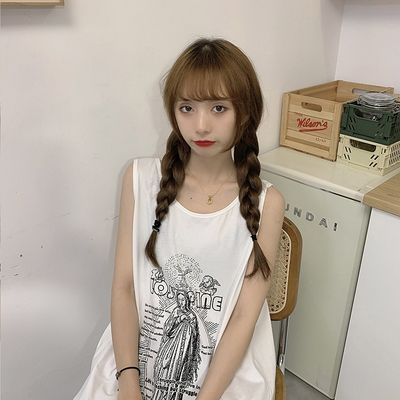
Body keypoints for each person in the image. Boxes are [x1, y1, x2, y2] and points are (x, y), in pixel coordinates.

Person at [73, 37, 285, 400]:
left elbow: (243, 316)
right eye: (187, 108)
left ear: (246, 112)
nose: (200, 126)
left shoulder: (268, 203)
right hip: (132, 359)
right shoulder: (140, 180)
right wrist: (128, 384)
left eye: (218, 108)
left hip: (225, 372)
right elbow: (125, 288)